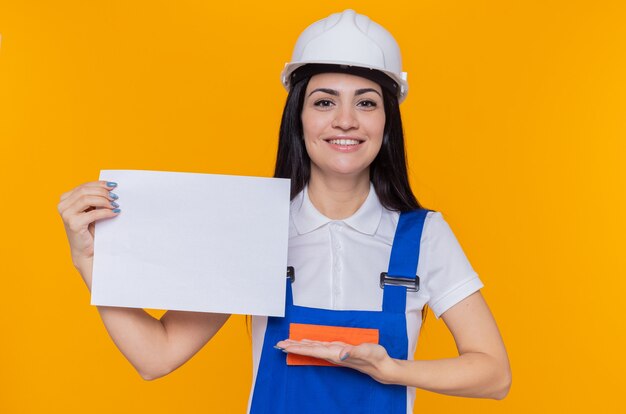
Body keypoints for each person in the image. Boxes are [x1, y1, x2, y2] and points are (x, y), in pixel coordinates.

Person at [58, 9, 511, 414]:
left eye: (367, 102)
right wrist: (91, 262)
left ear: (387, 121)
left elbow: (494, 375)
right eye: (325, 101)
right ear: (299, 116)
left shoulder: (423, 235)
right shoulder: (256, 228)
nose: (346, 120)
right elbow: (155, 356)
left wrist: (391, 371)